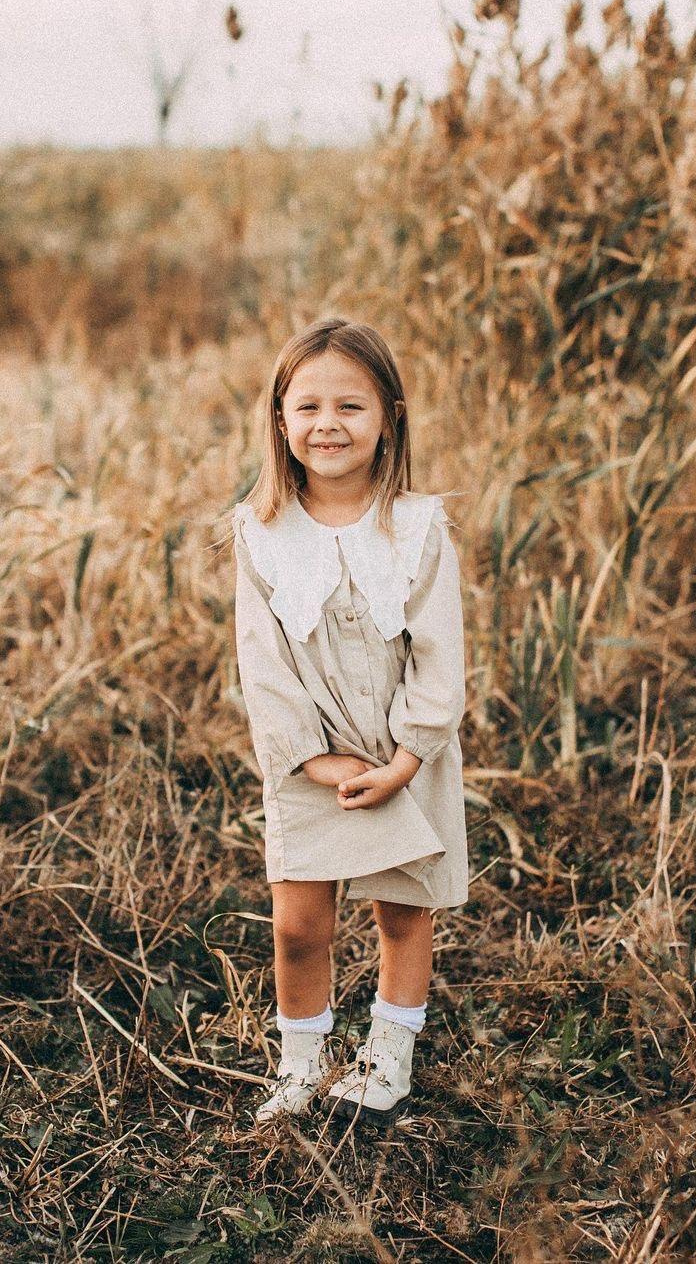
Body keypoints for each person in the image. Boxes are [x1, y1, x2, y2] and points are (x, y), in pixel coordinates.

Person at [227, 316, 469, 1129]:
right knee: (300, 924)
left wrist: (407, 757)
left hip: (405, 753)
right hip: (308, 763)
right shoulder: (261, 532)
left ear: (390, 417)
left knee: (403, 912)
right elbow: (261, 661)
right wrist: (313, 760)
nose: (328, 424)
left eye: (352, 407)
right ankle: (302, 1066)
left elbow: (441, 651)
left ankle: (387, 1059)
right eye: (309, 407)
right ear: (281, 420)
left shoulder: (418, 528)